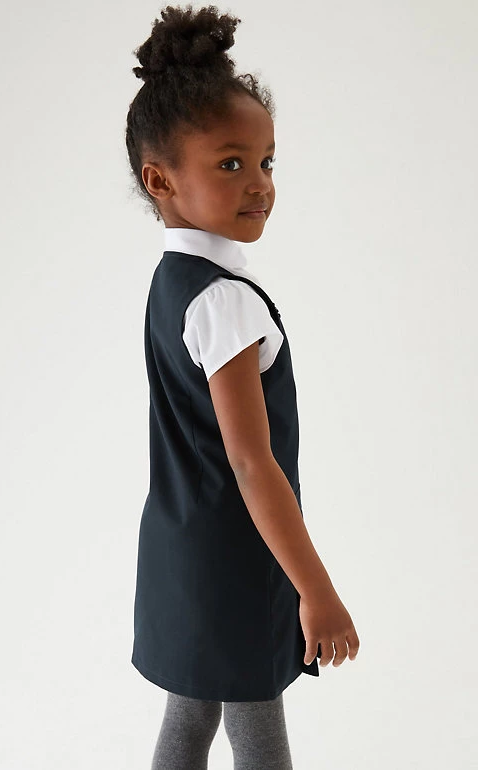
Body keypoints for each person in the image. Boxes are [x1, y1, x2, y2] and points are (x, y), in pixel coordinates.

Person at [125, 5, 360, 768]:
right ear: (160, 179)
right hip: (236, 559)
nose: (258, 184)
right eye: (230, 164)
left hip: (182, 547)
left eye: (267, 162)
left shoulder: (174, 282)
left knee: (191, 712)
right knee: (257, 728)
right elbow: (254, 464)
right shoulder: (225, 301)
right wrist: (316, 590)